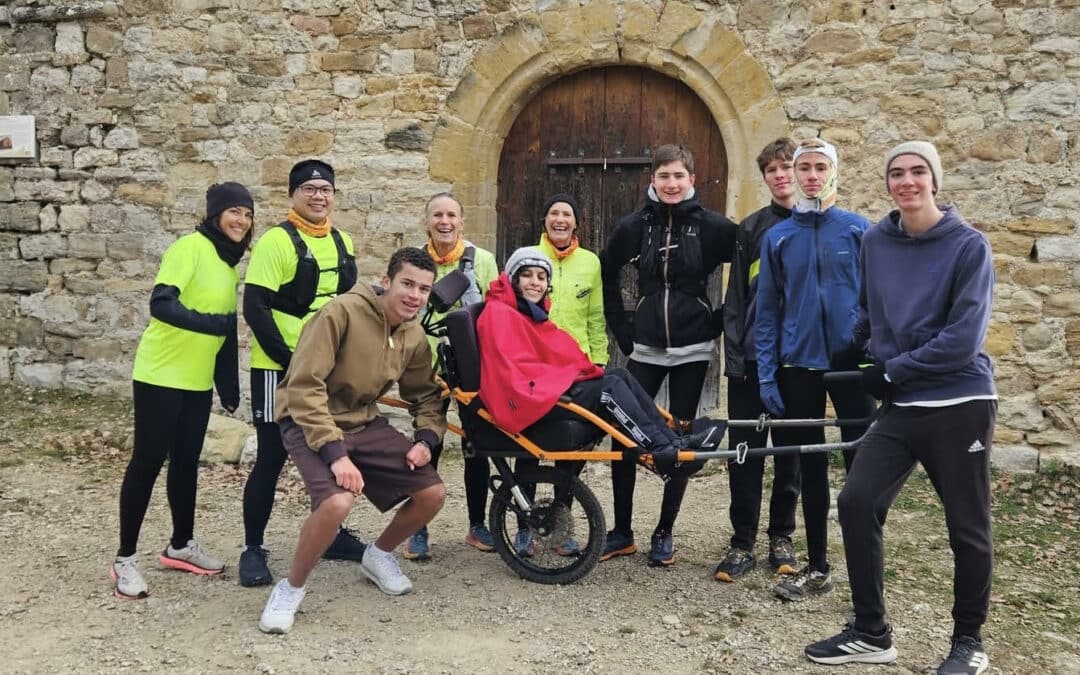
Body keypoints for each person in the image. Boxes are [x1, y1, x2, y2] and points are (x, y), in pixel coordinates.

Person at [805, 142, 996, 675]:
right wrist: (860, 348)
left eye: (917, 172)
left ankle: (968, 641)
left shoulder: (968, 246)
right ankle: (871, 632)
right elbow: (867, 310)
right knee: (857, 501)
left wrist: (893, 368)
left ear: (934, 180)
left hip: (960, 400)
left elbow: (963, 339)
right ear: (887, 183)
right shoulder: (875, 241)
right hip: (902, 403)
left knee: (967, 524)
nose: (907, 181)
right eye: (896, 173)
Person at [258, 247, 447, 635]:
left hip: (363, 421)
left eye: (424, 289)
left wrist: (426, 439)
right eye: (407, 284)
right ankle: (290, 589)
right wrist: (335, 454)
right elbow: (303, 386)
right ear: (386, 281)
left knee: (432, 493)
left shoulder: (413, 334)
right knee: (337, 501)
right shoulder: (340, 313)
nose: (415, 295)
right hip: (309, 419)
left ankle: (377, 556)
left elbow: (425, 395)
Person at [112, 182, 253, 599]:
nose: (241, 220)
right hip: (160, 374)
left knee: (187, 462)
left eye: (247, 214)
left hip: (195, 380)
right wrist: (209, 324)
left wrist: (227, 385)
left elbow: (227, 330)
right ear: (215, 215)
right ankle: (125, 559)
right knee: (148, 461)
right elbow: (162, 303)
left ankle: (181, 545)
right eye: (234, 212)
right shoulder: (189, 248)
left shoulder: (229, 265)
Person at [476, 248, 709, 499]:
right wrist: (563, 377)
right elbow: (511, 368)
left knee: (619, 376)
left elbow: (549, 353)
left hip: (543, 388)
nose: (535, 282)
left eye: (541, 277)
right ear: (513, 279)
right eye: (527, 275)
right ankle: (660, 451)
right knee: (608, 391)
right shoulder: (499, 313)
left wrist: (573, 371)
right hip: (525, 399)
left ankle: (672, 438)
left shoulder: (525, 312)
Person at [599, 144, 736, 566]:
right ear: (652, 181)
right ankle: (622, 531)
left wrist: (716, 321)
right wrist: (622, 329)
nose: (671, 184)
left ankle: (664, 532)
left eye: (679, 176)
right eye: (664, 177)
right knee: (623, 436)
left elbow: (748, 273)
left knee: (681, 443)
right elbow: (607, 270)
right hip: (644, 350)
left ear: (691, 180)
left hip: (693, 351)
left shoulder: (714, 227)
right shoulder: (634, 226)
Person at [238, 159, 366, 588]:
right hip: (279, 367)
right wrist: (296, 362)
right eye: (309, 188)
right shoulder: (275, 241)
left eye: (325, 189)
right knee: (272, 458)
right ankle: (253, 548)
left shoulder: (343, 240)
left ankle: (332, 533)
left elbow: (349, 306)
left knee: (333, 451)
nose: (318, 196)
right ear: (293, 194)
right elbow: (255, 308)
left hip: (328, 369)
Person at [755, 138, 873, 601]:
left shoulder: (860, 230)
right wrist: (767, 373)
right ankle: (818, 565)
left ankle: (866, 565)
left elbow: (877, 303)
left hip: (851, 363)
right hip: (798, 363)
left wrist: (877, 358)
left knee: (861, 465)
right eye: (802, 167)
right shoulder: (778, 237)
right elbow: (767, 311)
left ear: (833, 172)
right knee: (810, 466)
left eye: (819, 167)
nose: (810, 176)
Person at [714, 138, 801, 582]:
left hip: (797, 364)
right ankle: (741, 540)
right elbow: (736, 301)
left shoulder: (816, 225)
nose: (781, 176)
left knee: (789, 454)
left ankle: (781, 537)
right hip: (751, 361)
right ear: (764, 177)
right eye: (772, 170)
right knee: (746, 453)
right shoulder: (751, 229)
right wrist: (735, 359)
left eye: (787, 167)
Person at [404, 192, 499, 560]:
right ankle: (418, 527)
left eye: (451, 215)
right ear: (427, 221)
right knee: (429, 443)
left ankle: (477, 525)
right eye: (437, 215)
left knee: (477, 444)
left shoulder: (484, 261)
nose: (445, 222)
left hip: (472, 367)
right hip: (424, 367)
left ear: (462, 222)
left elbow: (496, 312)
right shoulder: (412, 261)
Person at [536, 193, 609, 364]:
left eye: (567, 214)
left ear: (575, 224)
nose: (560, 219)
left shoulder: (590, 262)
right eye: (554, 213)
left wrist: (599, 360)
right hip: (537, 358)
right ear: (544, 221)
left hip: (578, 359)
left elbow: (595, 317)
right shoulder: (528, 258)